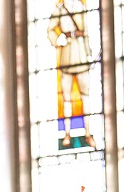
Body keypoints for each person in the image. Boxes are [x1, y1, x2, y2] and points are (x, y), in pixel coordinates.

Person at [47, 0, 96, 149]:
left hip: (80, 53)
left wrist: (89, 53)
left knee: (85, 95)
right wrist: (57, 40)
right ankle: (66, 134)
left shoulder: (81, 7)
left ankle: (88, 133)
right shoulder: (60, 9)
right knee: (66, 98)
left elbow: (88, 31)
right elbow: (50, 29)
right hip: (67, 55)